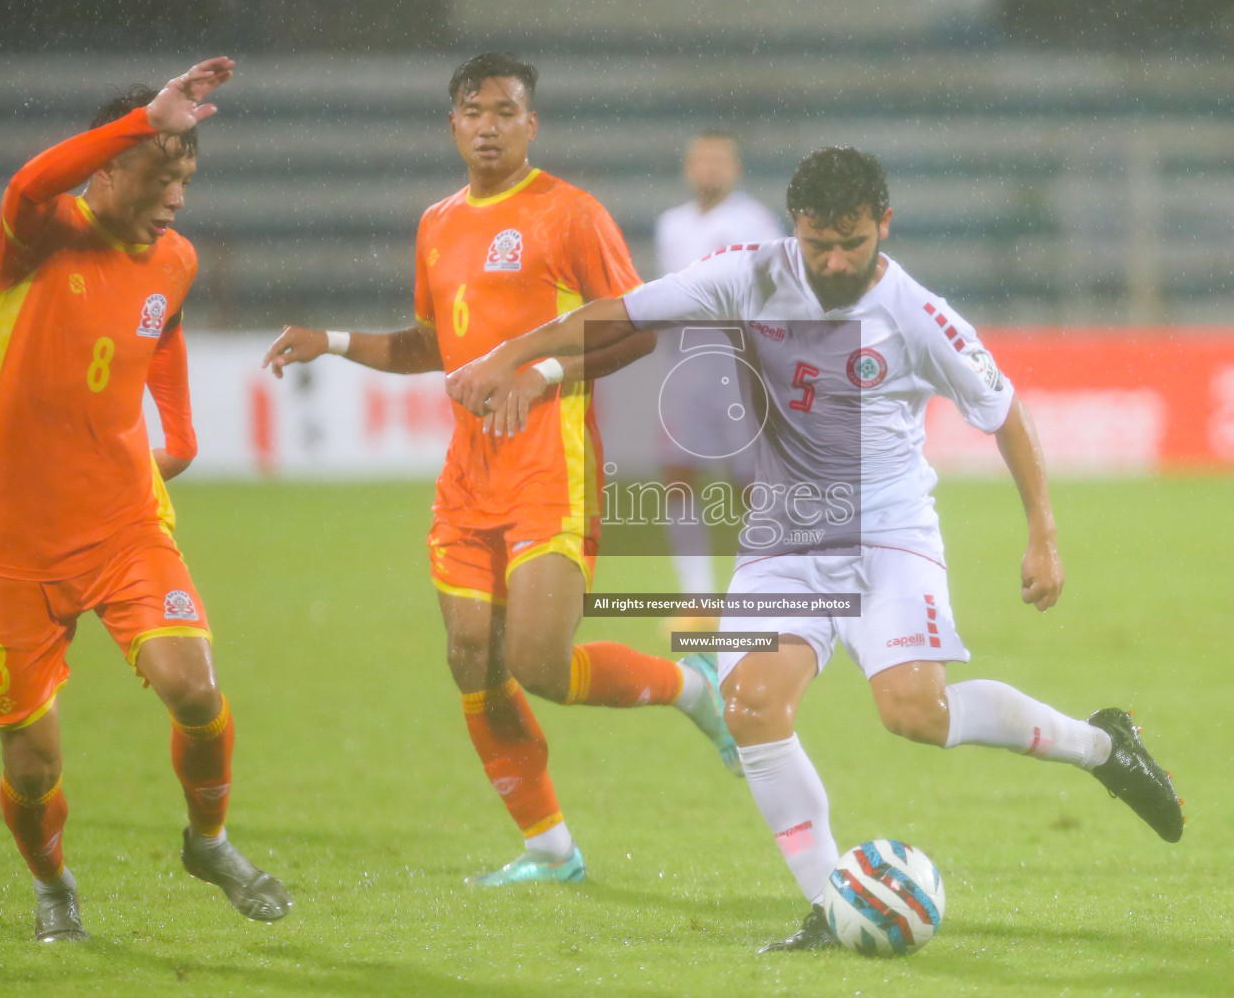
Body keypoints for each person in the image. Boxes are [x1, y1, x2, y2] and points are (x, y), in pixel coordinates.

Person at [446, 146, 1185, 950]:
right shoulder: (747, 273)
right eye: (818, 241)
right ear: (795, 225)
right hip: (785, 528)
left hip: (888, 530)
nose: (833, 260)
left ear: (884, 227)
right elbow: (624, 313)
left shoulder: (917, 315)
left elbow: (1003, 411)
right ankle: (830, 907)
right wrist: (511, 353)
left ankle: (1102, 745)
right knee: (752, 706)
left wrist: (1043, 534)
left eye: (853, 243)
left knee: (916, 714)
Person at [261, 52, 740, 888]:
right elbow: (429, 348)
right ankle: (551, 848)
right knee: (469, 654)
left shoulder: (570, 213)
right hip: (469, 473)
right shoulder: (437, 224)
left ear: (531, 124)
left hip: (552, 468)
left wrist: (543, 372)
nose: (489, 124)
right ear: (452, 125)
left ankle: (692, 689)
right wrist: (332, 341)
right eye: (473, 111)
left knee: (540, 665)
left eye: (505, 110)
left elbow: (642, 326)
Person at [0, 57, 292, 942]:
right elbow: (32, 177)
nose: (176, 200)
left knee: (193, 685)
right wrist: (142, 118)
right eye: (159, 176)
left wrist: (178, 432)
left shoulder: (174, 259)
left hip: (121, 522)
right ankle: (53, 884)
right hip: (11, 544)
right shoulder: (35, 235)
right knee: (32, 766)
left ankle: (210, 840)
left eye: (185, 179)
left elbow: (164, 329)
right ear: (106, 169)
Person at [651, 132, 782, 605]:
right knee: (678, 473)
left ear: (735, 168)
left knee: (751, 480)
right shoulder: (670, 225)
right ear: (688, 168)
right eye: (700, 160)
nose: (709, 169)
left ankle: (761, 584)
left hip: (739, 364)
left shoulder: (755, 222)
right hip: (684, 364)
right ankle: (698, 597)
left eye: (718, 160)